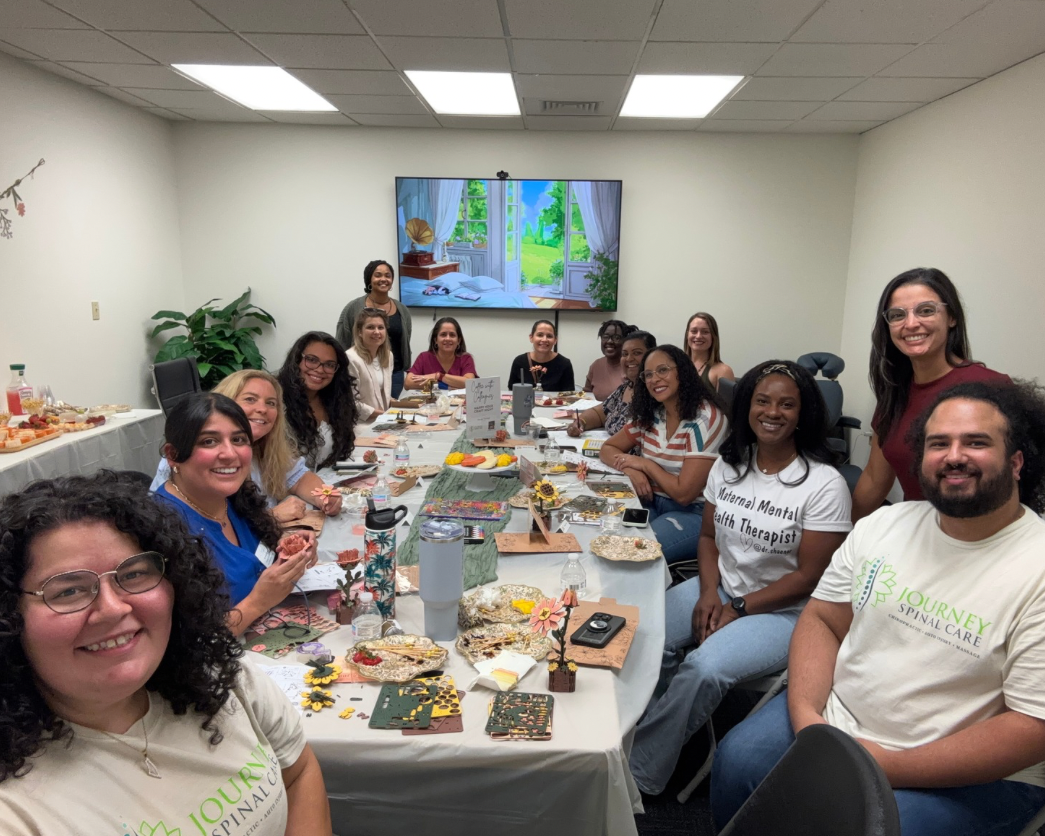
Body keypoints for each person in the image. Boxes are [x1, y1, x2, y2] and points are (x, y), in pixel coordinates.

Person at [712, 380, 1045, 836]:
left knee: (860, 826)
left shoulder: (1036, 566)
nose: (954, 456)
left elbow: (1031, 726)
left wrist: (882, 764)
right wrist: (810, 722)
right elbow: (823, 620)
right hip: (835, 721)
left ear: (1017, 461)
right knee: (738, 762)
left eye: (976, 442)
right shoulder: (885, 524)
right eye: (938, 443)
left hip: (966, 772)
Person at [0, 470, 332, 835]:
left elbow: (297, 772)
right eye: (67, 591)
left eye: (133, 574)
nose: (113, 609)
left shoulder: (221, 674)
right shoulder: (15, 813)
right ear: (9, 617)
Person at [628, 360, 852, 795]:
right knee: (644, 633)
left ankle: (640, 772)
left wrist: (738, 608)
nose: (772, 412)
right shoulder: (729, 466)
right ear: (747, 407)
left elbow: (810, 576)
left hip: (787, 612)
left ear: (803, 413)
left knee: (703, 668)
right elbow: (708, 537)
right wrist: (709, 592)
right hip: (723, 587)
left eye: (787, 404)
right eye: (762, 401)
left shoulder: (824, 484)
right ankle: (656, 724)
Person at [154, 393, 318, 637]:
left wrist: (288, 550)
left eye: (239, 439)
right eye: (209, 441)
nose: (230, 454)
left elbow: (253, 558)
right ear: (173, 455)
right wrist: (257, 602)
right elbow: (190, 642)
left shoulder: (232, 498)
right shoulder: (162, 530)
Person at [852, 267, 1009, 521]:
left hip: (977, 532)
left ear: (951, 317)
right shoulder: (894, 393)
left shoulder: (992, 386)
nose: (911, 323)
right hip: (917, 529)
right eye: (898, 315)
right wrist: (850, 533)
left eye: (926, 310)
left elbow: (1018, 477)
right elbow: (874, 478)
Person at [150, 369, 341, 520]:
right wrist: (270, 517)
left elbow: (299, 477)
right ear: (225, 402)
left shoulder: (267, 447)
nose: (262, 409)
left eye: (271, 403)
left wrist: (324, 496)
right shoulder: (185, 456)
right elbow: (184, 523)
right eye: (250, 399)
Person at [599, 343, 727, 563]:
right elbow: (607, 449)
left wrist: (646, 465)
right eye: (648, 374)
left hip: (694, 513)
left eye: (663, 370)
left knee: (630, 554)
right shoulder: (653, 414)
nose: (654, 379)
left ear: (682, 372)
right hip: (652, 502)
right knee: (602, 534)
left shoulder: (705, 419)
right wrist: (631, 470)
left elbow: (684, 494)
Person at [277, 331, 358, 470]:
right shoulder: (276, 401)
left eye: (329, 364)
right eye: (312, 360)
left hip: (326, 481)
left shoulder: (337, 403)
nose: (320, 370)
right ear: (297, 360)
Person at [335, 260, 413, 398]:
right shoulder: (353, 308)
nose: (383, 279)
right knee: (365, 409)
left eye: (388, 275)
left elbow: (405, 339)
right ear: (369, 279)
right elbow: (342, 341)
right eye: (378, 275)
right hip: (362, 372)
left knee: (390, 410)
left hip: (394, 373)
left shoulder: (402, 310)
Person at [568, 330, 655, 438]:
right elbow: (600, 413)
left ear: (652, 356)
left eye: (637, 353)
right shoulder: (625, 388)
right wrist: (580, 422)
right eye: (625, 354)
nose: (629, 358)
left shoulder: (654, 392)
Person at [346, 307, 403, 421]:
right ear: (360, 332)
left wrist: (401, 405)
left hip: (382, 420)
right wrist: (385, 415)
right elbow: (350, 402)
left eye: (380, 327)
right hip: (361, 423)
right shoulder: (351, 358)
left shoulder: (388, 356)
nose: (376, 332)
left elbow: (381, 394)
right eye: (370, 327)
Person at [405, 316, 478, 390]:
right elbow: (408, 383)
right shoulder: (424, 357)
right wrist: (444, 385)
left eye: (452, 335)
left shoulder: (465, 358)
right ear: (435, 340)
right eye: (443, 334)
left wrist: (439, 376)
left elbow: (470, 384)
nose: (448, 338)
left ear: (458, 341)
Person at [508, 319, 576, 392]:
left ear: (555, 340)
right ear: (531, 338)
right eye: (540, 335)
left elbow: (569, 394)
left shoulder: (564, 364)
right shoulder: (519, 362)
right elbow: (512, 390)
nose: (544, 339)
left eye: (549, 336)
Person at [583, 319, 635, 401]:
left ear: (625, 341)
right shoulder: (596, 365)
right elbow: (586, 396)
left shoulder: (631, 366)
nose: (609, 341)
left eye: (616, 338)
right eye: (605, 337)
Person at [684, 312, 734, 392]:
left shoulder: (723, 371)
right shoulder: (676, 366)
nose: (698, 336)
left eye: (705, 332)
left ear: (713, 337)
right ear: (687, 335)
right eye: (694, 331)